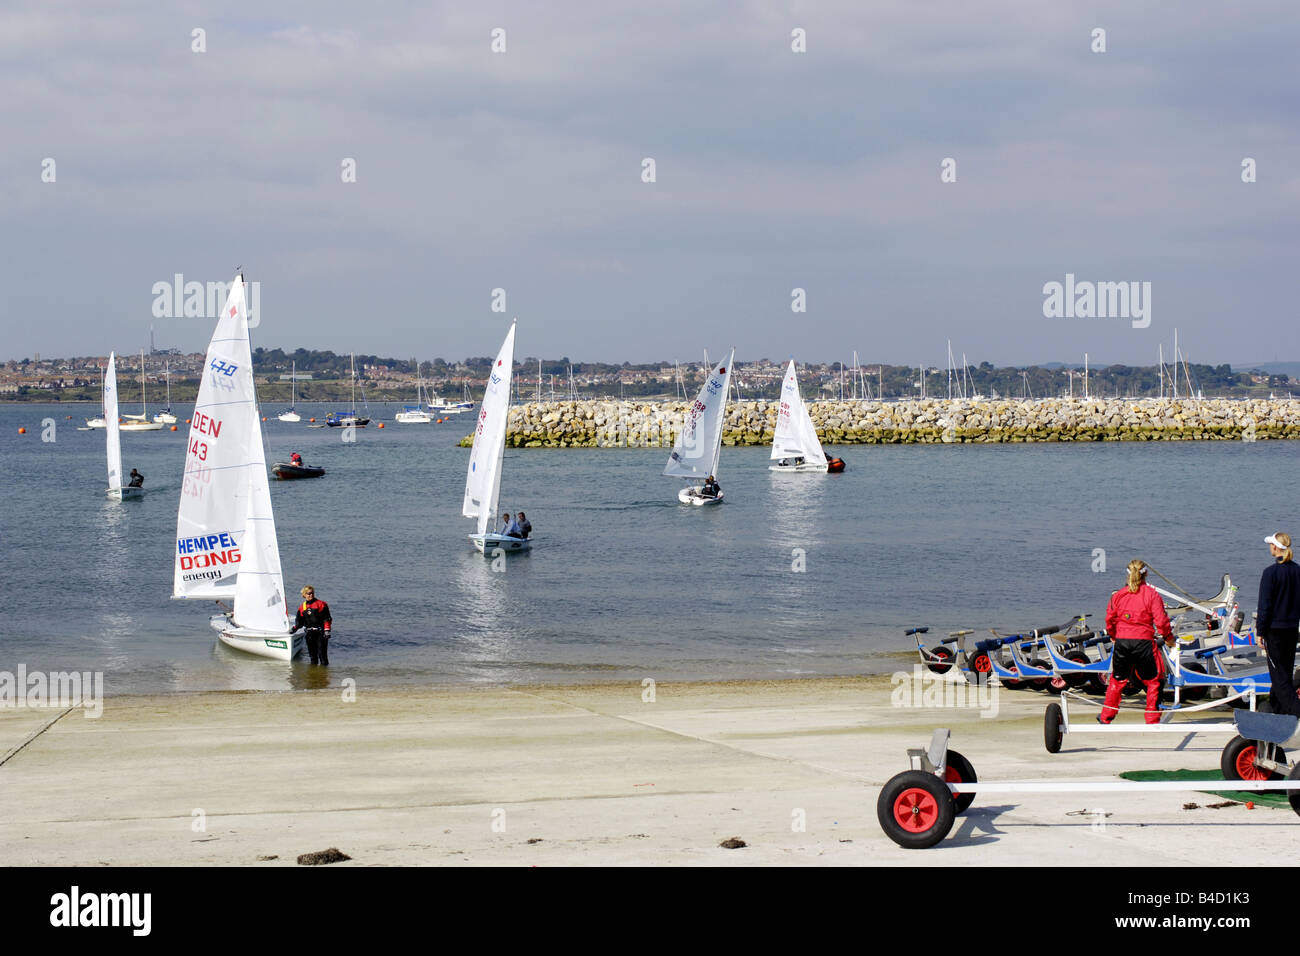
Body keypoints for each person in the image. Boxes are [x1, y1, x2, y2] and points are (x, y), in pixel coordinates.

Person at [1099, 559, 1175, 724]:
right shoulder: (1152, 595)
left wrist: (1113, 635)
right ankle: (1152, 718)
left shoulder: (1118, 595)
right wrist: (1169, 639)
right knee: (1154, 681)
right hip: (1144, 643)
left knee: (1117, 680)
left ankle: (1106, 716)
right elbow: (1161, 622)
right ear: (1146, 573)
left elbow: (1109, 619)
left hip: (1122, 642)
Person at [1257, 532, 1300, 716]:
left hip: (1274, 632)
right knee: (1284, 675)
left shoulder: (1270, 573)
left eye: (1270, 545)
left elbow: (1265, 606)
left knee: (1280, 679)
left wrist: (1260, 632)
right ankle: (1278, 713)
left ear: (1275, 547)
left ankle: (1297, 712)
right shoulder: (1298, 571)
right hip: (1291, 630)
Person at [294, 585, 332, 665]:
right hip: (310, 634)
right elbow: (299, 623)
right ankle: (313, 676)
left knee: (322, 656)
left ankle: (323, 675)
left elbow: (327, 618)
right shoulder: (302, 607)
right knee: (313, 657)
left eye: (312, 593)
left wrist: (327, 631)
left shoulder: (321, 604)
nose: (311, 595)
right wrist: (293, 629)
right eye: (309, 593)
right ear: (304, 595)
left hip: (321, 633)